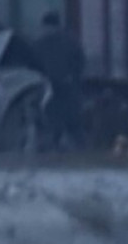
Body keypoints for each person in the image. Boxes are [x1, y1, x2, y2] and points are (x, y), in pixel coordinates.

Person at [32, 11, 86, 150]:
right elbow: (80, 62)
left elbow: (33, 64)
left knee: (52, 119)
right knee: (73, 121)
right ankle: (78, 148)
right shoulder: (72, 42)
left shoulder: (39, 44)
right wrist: (73, 77)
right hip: (69, 86)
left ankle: (53, 146)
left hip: (49, 87)